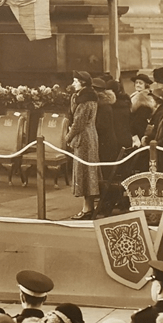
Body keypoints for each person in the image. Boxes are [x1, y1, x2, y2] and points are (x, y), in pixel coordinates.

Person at [67, 71, 101, 220]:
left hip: (84, 139)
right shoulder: (87, 97)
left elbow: (78, 123)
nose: (73, 84)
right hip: (90, 136)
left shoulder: (85, 100)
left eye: (76, 81)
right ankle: (88, 208)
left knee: (84, 173)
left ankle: (87, 209)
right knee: (88, 172)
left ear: (83, 83)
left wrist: (67, 137)